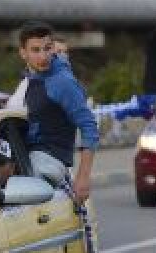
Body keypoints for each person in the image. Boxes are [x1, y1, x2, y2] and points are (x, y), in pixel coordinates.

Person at [18, 23, 99, 204]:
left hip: (47, 164)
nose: (43, 56)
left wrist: (83, 178)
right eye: (36, 50)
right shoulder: (32, 78)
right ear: (23, 53)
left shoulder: (62, 82)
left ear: (53, 47)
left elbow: (89, 126)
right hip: (30, 157)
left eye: (47, 49)